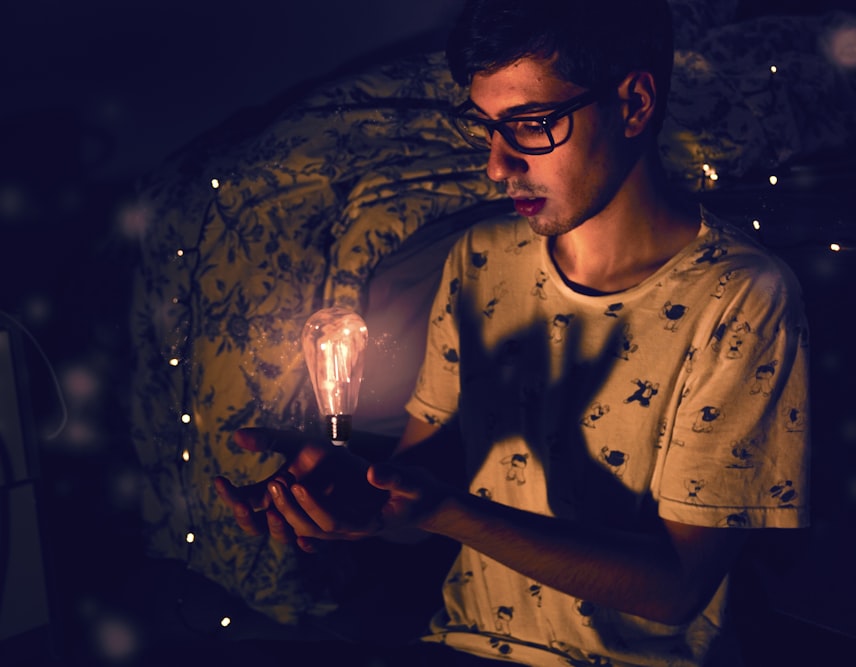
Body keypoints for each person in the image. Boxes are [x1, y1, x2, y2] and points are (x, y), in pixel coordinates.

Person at [215, 0, 810, 664]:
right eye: (488, 128)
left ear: (635, 104)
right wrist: (358, 495)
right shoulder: (480, 258)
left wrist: (441, 510)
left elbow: (677, 587)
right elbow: (417, 490)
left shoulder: (740, 297)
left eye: (530, 124)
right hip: (458, 643)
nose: (498, 166)